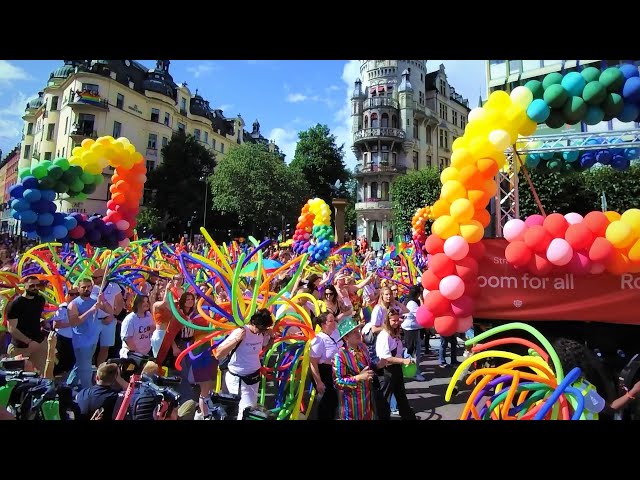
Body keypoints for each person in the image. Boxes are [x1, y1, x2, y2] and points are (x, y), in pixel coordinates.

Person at [213, 308, 275, 420]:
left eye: (264, 329)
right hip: (237, 378)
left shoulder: (262, 333)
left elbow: (264, 348)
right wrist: (236, 339)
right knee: (243, 409)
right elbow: (218, 354)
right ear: (254, 323)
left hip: (253, 377)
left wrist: (272, 337)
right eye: (261, 328)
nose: (262, 331)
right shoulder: (241, 332)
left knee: (250, 408)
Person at [333, 317, 387, 420]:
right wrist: (358, 377)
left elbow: (368, 367)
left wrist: (378, 365)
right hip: (351, 405)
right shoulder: (340, 355)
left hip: (368, 401)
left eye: (357, 330)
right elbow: (338, 382)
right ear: (346, 338)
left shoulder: (363, 347)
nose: (358, 334)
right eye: (353, 332)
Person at [67, 278, 113, 390]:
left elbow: (110, 311)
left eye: (89, 286)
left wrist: (103, 300)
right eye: (83, 287)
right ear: (78, 288)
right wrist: (91, 311)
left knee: (80, 364)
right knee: (86, 368)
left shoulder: (95, 301)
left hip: (93, 339)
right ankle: (87, 390)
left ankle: (68, 385)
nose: (86, 289)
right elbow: (74, 323)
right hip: (81, 341)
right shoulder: (73, 304)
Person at [375, 308, 416, 420]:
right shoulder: (384, 336)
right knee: (385, 400)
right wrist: (403, 361)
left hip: (396, 369)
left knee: (401, 396)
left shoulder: (395, 333)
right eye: (394, 320)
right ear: (388, 321)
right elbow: (386, 358)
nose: (397, 323)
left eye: (398, 320)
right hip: (387, 371)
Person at [6, 276, 47, 373]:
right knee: (18, 377)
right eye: (32, 285)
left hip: (38, 343)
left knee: (43, 375)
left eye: (38, 285)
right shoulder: (15, 304)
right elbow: (11, 328)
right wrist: (29, 341)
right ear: (24, 286)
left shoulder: (40, 300)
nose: (35, 288)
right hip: (20, 347)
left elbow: (36, 317)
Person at [308, 313, 341, 420]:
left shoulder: (335, 334)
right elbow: (313, 363)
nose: (334, 323)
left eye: (334, 320)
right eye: (331, 321)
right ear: (323, 324)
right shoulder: (318, 340)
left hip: (333, 371)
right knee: (325, 403)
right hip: (323, 372)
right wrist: (319, 382)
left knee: (333, 402)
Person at [91, 268, 125, 368]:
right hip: (94, 320)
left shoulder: (114, 287)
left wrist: (113, 315)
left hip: (109, 320)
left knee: (105, 347)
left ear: (103, 277)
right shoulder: (90, 287)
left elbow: (120, 303)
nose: (93, 279)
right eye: (92, 277)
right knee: (91, 346)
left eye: (95, 277)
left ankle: (99, 368)